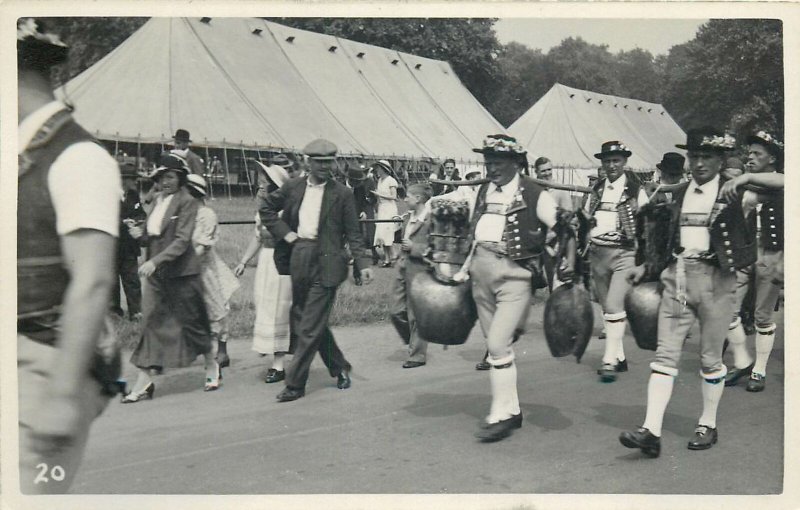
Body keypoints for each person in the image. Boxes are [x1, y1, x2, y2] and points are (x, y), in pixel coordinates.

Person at [17, 18, 122, 493]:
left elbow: (93, 280)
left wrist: (61, 395)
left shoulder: (77, 157)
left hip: (45, 364)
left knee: (33, 492)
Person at [619, 127, 757, 457]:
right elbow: (666, 240)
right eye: (694, 157)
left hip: (717, 282)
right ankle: (650, 430)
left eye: (706, 157)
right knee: (664, 356)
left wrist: (743, 181)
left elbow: (783, 185)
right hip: (677, 278)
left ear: (721, 159)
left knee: (710, 358)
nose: (698, 164)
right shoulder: (678, 193)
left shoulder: (738, 193)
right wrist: (648, 268)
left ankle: (708, 423)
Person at [464, 134, 574, 442]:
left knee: (497, 344)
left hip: (514, 275)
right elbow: (473, 228)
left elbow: (565, 226)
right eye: (488, 162)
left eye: (497, 163)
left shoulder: (534, 192)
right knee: (497, 344)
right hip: (480, 272)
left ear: (516, 163)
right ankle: (512, 409)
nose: (492, 168)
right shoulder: (484, 189)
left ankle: (501, 414)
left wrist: (568, 263)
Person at [260, 138, 374, 402]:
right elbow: (266, 207)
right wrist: (285, 234)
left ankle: (295, 384)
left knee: (308, 325)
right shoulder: (293, 187)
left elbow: (354, 233)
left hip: (328, 263)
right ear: (307, 162)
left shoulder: (342, 194)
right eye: (319, 162)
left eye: (329, 162)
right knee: (307, 320)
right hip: (300, 256)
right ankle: (340, 366)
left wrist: (363, 263)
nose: (325, 167)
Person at [124, 153, 217, 401]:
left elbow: (181, 241)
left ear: (180, 178)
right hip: (157, 276)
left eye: (170, 177)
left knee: (193, 323)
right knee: (150, 322)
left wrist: (154, 261)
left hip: (183, 273)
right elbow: (152, 234)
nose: (165, 182)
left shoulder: (187, 202)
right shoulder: (157, 199)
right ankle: (144, 382)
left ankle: (211, 364)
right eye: (161, 177)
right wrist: (139, 234)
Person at [721, 131, 784, 392]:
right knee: (727, 308)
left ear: (772, 158)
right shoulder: (744, 184)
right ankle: (743, 360)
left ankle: (759, 370)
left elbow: (783, 179)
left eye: (758, 154)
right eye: (749, 154)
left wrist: (745, 177)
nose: (750, 158)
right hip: (743, 252)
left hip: (771, 253)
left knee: (762, 315)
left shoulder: (781, 181)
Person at [583, 141, 649, 382]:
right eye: (607, 161)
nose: (611, 165)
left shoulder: (635, 190)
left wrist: (644, 259)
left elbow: (647, 225)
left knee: (613, 304)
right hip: (598, 254)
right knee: (607, 308)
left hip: (624, 254)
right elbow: (586, 219)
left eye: (616, 161)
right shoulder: (596, 189)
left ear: (625, 162)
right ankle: (619, 356)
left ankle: (609, 359)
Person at [235, 161, 294, 383]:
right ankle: (270, 347)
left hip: (281, 264)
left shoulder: (287, 210)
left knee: (279, 310)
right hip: (266, 264)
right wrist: (243, 261)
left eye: (266, 182)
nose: (261, 185)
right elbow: (257, 237)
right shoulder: (264, 209)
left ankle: (278, 364)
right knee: (266, 307)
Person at [186, 174, 240, 381]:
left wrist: (189, 261)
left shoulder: (206, 214)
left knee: (215, 307)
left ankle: (222, 350)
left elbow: (205, 244)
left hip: (205, 267)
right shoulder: (184, 213)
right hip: (187, 268)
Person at [390, 183, 434, 368]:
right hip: (402, 266)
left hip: (420, 270)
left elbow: (436, 248)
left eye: (408, 196)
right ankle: (413, 341)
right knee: (395, 310)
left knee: (415, 314)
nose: (405, 199)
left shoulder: (432, 220)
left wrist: (414, 248)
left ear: (418, 198)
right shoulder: (408, 218)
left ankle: (417, 355)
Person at [111, 162, 146, 320]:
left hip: (130, 246)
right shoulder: (108, 194)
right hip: (112, 246)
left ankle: (136, 311)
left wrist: (137, 221)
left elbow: (141, 213)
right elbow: (105, 218)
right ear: (124, 179)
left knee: (132, 279)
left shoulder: (134, 195)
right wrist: (123, 222)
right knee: (112, 281)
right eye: (133, 179)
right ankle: (114, 311)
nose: (136, 182)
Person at [348, 164, 380, 265]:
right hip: (355, 209)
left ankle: (374, 254)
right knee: (358, 232)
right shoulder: (354, 182)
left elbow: (372, 197)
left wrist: (365, 206)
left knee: (370, 230)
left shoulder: (368, 182)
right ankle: (357, 255)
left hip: (366, 208)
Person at [372, 159, 400, 267]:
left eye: (379, 168)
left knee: (387, 233)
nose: (377, 170)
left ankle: (390, 257)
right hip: (382, 208)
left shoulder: (391, 180)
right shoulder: (379, 180)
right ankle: (387, 258)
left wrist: (380, 195)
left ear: (384, 169)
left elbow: (394, 197)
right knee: (381, 234)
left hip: (389, 208)